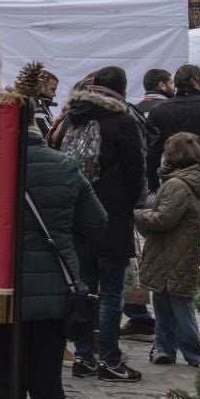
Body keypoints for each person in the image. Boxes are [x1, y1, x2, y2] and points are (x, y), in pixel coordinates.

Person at [0, 91, 105, 399]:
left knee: (7, 385)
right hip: (53, 296)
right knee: (48, 384)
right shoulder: (65, 166)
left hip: (0, 294)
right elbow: (97, 223)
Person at [54, 67, 147, 381]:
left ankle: (83, 356)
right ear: (122, 90)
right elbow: (136, 171)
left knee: (83, 289)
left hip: (76, 216)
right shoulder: (122, 121)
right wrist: (127, 203)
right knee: (111, 292)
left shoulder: (72, 118)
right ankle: (109, 359)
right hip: (112, 217)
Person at [135, 131, 200, 367]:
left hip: (171, 251)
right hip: (177, 250)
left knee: (179, 304)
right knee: (165, 302)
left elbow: (164, 218)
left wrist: (139, 214)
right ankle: (164, 348)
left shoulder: (176, 184)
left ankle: (193, 353)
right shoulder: (190, 179)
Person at [146, 64, 200, 180]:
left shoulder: (158, 110)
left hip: (171, 175)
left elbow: (152, 150)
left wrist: (153, 181)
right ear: (196, 83)